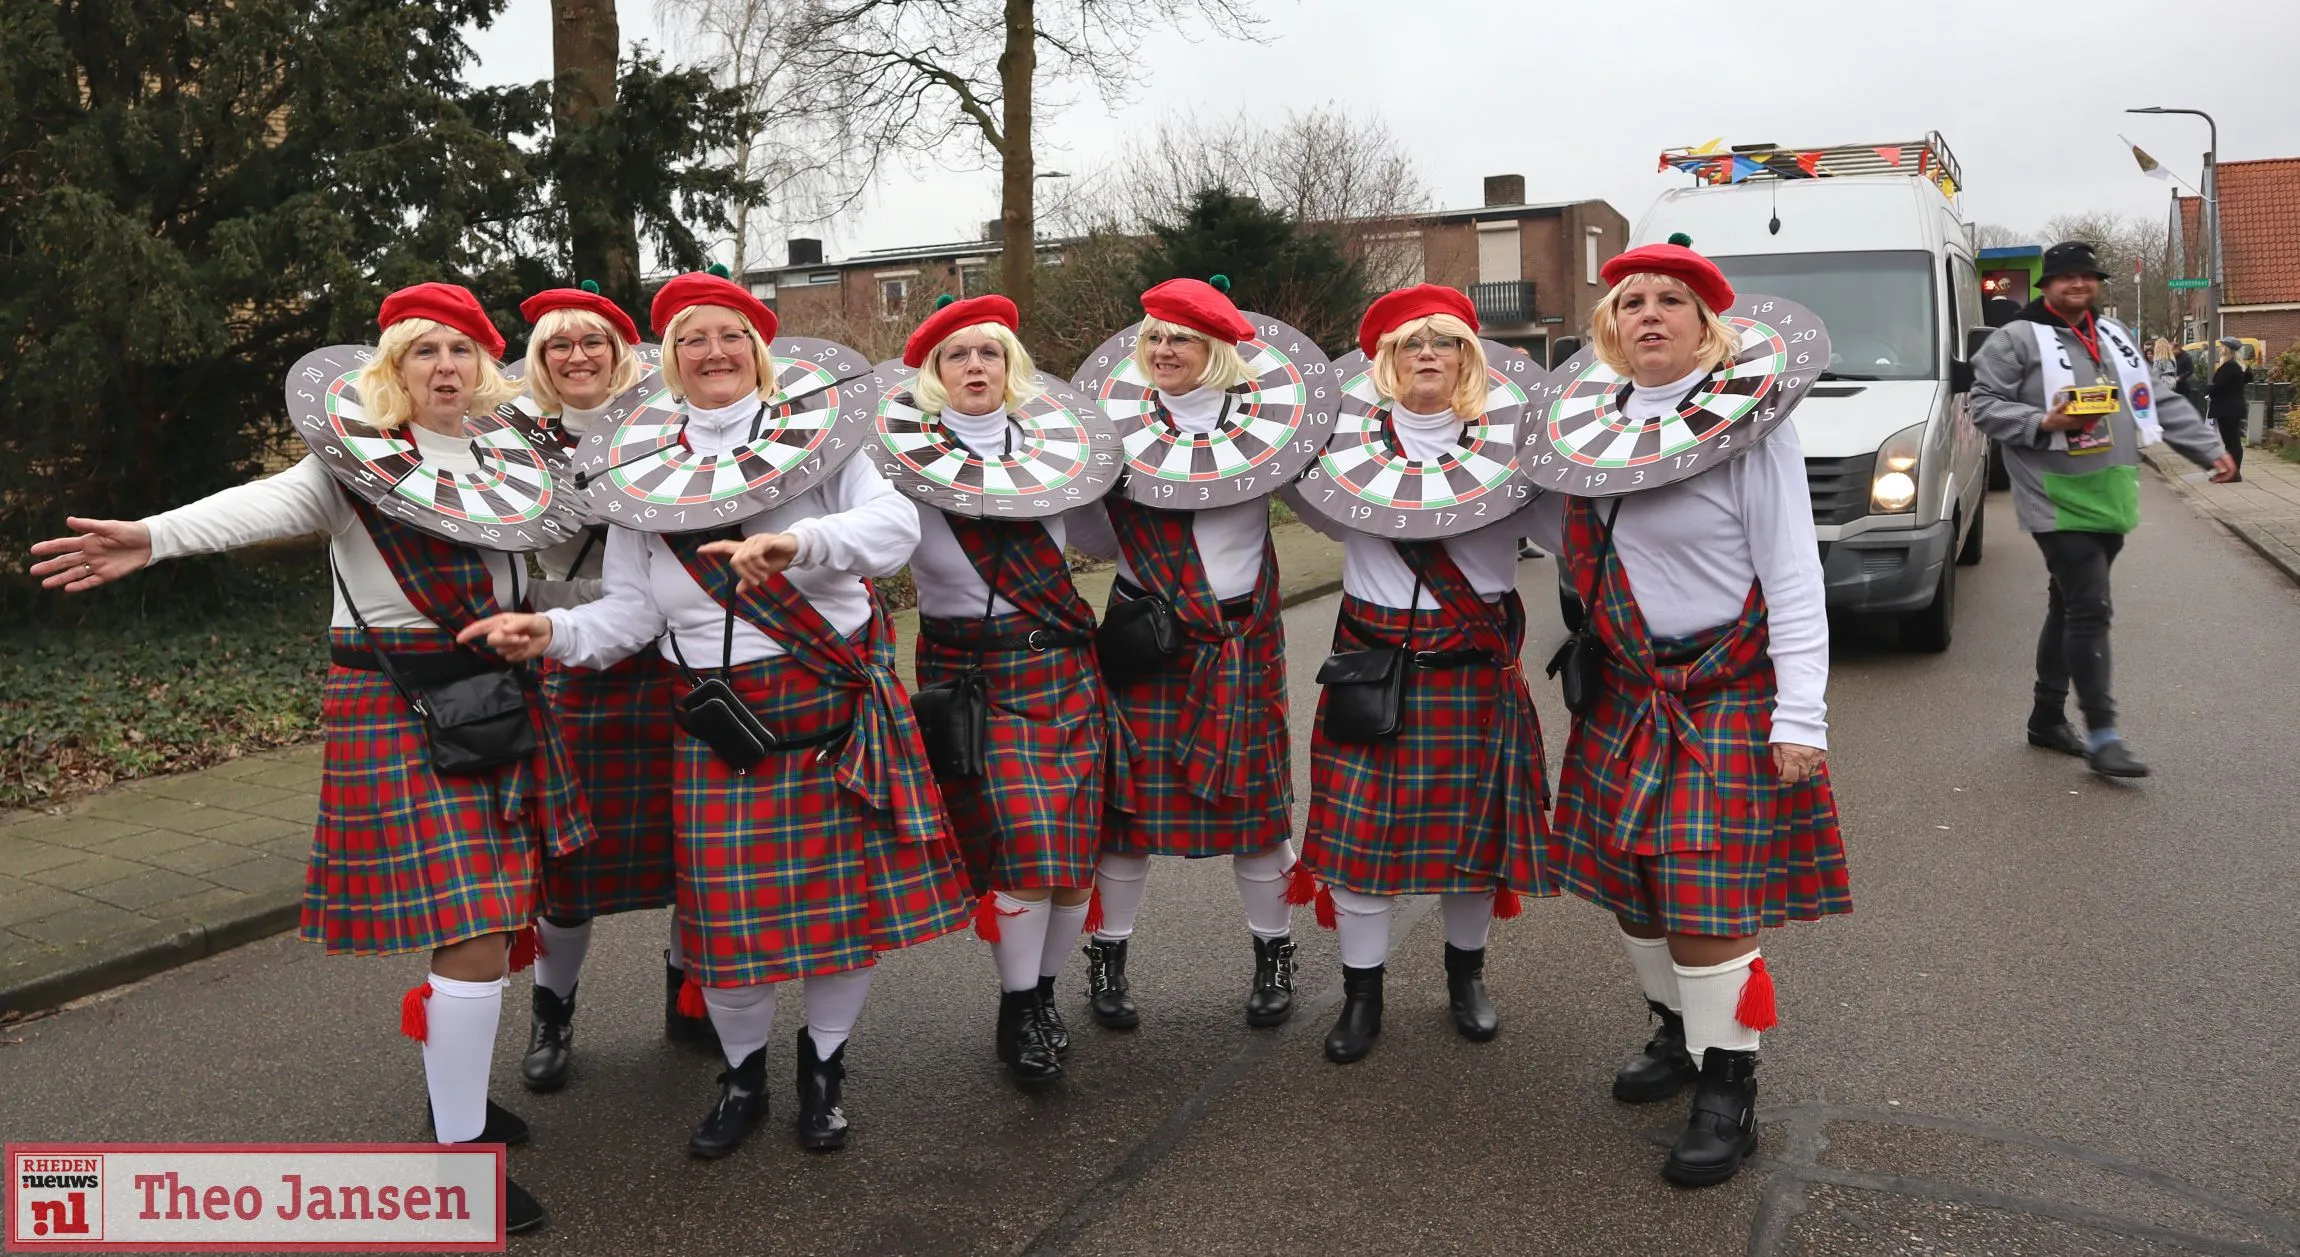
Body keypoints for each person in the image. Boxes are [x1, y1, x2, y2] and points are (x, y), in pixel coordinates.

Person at [29, 283, 587, 1233]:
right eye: (422, 352)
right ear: (391, 370)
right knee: (481, 921)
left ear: (487, 367)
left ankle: (458, 1102)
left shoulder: (516, 454)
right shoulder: (353, 460)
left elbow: (562, 557)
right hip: (396, 699)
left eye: (460, 351)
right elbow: (263, 503)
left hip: (497, 697)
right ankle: (458, 1160)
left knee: (488, 912)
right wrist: (154, 537)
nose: (444, 367)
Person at [460, 271, 971, 1159]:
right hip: (719, 731)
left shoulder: (822, 438)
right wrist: (551, 629)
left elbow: (896, 529)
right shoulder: (639, 473)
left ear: (759, 350)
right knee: (723, 928)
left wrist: (800, 542)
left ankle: (824, 1071)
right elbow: (629, 613)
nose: (713, 353)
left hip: (827, 712)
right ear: (669, 362)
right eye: (693, 340)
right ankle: (743, 1079)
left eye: (730, 335)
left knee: (837, 921)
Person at [1525, 240, 1848, 1188]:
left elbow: (1793, 574)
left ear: (1710, 326)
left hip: (1723, 692)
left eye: (1671, 300)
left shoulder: (1754, 428)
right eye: (1631, 303)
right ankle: (1673, 1030)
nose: (1649, 314)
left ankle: (1727, 1085)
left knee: (1705, 894)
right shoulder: (1587, 430)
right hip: (1628, 691)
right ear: (1610, 328)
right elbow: (1554, 535)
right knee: (1635, 887)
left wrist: (1802, 716)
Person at [1286, 284, 1551, 1066]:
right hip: (1377, 662)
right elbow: (1320, 516)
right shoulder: (1332, 452)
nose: (1427, 354)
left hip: (1471, 667)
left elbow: (1566, 535)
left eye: (1444, 341)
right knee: (1363, 851)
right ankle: (1361, 997)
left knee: (1472, 849)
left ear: (1471, 359)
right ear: (1384, 365)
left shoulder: (1520, 451)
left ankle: (1464, 980)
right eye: (1410, 343)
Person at [894, 293, 1122, 1088]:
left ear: (1013, 369)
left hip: (1057, 662)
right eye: (957, 356)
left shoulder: (1059, 449)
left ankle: (1042, 994)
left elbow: (1099, 535)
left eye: (990, 353)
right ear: (934, 375)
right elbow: (875, 541)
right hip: (968, 672)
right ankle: (1019, 1002)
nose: (975, 367)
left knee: (1069, 860)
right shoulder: (898, 458)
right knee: (1023, 847)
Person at [512, 281, 713, 1095]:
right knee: (571, 860)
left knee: (690, 840)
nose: (577, 355)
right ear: (540, 361)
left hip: (669, 656)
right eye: (560, 345)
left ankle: (688, 995)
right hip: (567, 656)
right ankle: (552, 1012)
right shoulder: (507, 442)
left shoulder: (671, 434)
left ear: (624, 355)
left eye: (593, 340)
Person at [1087, 278, 1303, 1033]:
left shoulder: (1274, 426)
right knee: (1125, 816)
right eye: (1153, 336)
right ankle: (1106, 959)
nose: (1164, 348)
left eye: (1180, 336)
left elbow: (1326, 506)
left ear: (1215, 351)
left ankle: (1274, 954)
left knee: (1258, 815)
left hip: (1238, 643)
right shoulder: (1108, 428)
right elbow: (1089, 539)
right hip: (1149, 644)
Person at [1970, 241, 2233, 779]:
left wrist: (2209, 450)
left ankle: (2046, 718)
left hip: (2111, 489)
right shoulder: (2015, 338)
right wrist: (2044, 422)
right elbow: (1982, 405)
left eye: (2087, 277)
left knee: (2066, 605)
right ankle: (2104, 734)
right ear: (2046, 285)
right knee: (2090, 606)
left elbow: (2157, 400)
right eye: (2065, 278)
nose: (2077, 286)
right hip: (2053, 492)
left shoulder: (2115, 335)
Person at [2209, 338, 2252, 480]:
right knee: (2232, 441)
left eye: (2222, 347)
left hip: (2227, 409)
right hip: (2233, 408)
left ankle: (2233, 473)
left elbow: (2219, 387)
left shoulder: (2229, 367)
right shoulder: (2239, 366)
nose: (2220, 349)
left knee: (2231, 442)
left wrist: (2207, 389)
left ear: (2227, 350)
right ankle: (2230, 471)